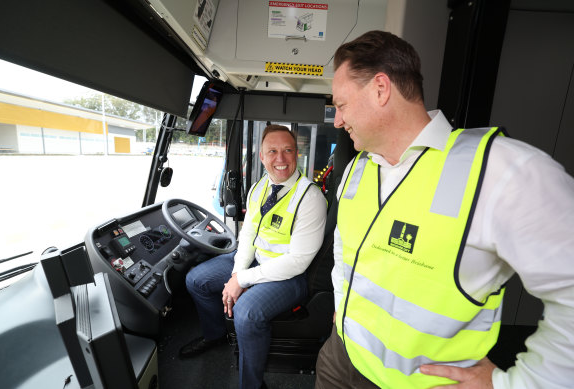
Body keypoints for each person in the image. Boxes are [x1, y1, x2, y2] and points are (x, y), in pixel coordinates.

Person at [315, 30, 574, 389]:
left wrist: (515, 383)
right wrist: (342, 313)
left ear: (380, 88)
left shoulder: (500, 171)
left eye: (341, 106)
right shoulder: (355, 172)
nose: (338, 121)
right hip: (340, 358)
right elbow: (346, 251)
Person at [180, 124, 327, 389]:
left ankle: (252, 384)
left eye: (287, 151)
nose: (280, 159)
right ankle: (215, 335)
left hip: (289, 276)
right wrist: (237, 273)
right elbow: (247, 236)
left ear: (297, 154)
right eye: (272, 151)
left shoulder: (310, 197)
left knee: (245, 313)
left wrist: (244, 279)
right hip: (256, 262)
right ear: (261, 156)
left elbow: (297, 261)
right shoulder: (259, 187)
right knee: (196, 280)